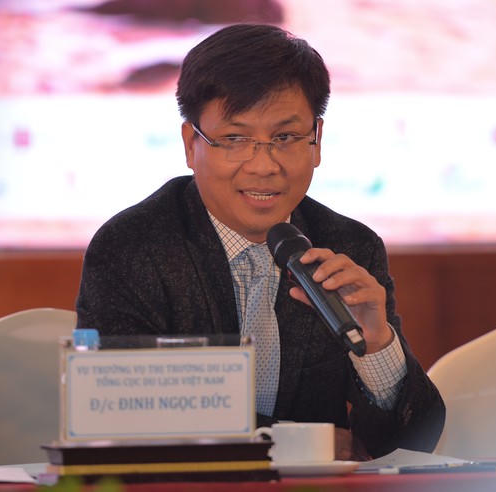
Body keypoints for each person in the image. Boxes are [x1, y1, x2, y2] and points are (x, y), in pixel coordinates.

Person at [76, 23, 445, 459]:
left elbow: (412, 443)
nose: (264, 165)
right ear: (192, 144)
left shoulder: (347, 247)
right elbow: (129, 417)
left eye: (285, 138)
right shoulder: (133, 248)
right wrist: (304, 444)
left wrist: (377, 345)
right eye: (235, 139)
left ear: (316, 142)